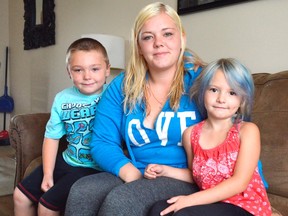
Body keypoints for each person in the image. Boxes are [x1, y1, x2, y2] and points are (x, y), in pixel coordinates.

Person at [65, 2, 206, 216]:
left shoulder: (203, 81)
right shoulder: (122, 85)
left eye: (167, 34)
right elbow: (103, 141)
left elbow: (236, 134)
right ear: (139, 46)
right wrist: (129, 172)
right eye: (148, 37)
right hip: (137, 170)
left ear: (182, 38)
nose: (158, 43)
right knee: (82, 191)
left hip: (185, 177)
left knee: (122, 200)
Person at [148, 58, 272, 216]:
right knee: (160, 210)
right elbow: (197, 174)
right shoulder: (191, 134)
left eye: (232, 93)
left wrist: (189, 200)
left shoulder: (247, 131)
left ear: (242, 100)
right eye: (214, 90)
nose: (221, 99)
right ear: (203, 92)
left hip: (246, 207)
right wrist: (165, 171)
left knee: (183, 214)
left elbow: (240, 182)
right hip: (212, 204)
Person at [13, 38, 111, 216]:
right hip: (67, 160)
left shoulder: (112, 96)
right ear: (69, 72)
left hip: (94, 167)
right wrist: (48, 173)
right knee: (20, 196)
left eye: (95, 69)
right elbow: (52, 137)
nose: (87, 76)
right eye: (78, 70)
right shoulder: (62, 99)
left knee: (47, 205)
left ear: (107, 70)